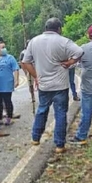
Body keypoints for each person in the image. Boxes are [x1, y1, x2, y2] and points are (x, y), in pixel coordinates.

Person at [22, 18, 83, 154]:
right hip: (60, 85)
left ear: (45, 27)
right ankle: (59, 145)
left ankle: (35, 137)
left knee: (42, 110)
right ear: (59, 28)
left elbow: (25, 62)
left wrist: (37, 76)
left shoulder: (34, 41)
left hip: (44, 85)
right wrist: (70, 62)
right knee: (60, 113)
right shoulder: (63, 41)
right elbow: (79, 52)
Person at [0, 41, 20, 125]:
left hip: (7, 83)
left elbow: (16, 69)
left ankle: (9, 117)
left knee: (7, 100)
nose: (4, 49)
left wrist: (16, 80)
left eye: (4, 47)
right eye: (2, 47)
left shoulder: (10, 58)